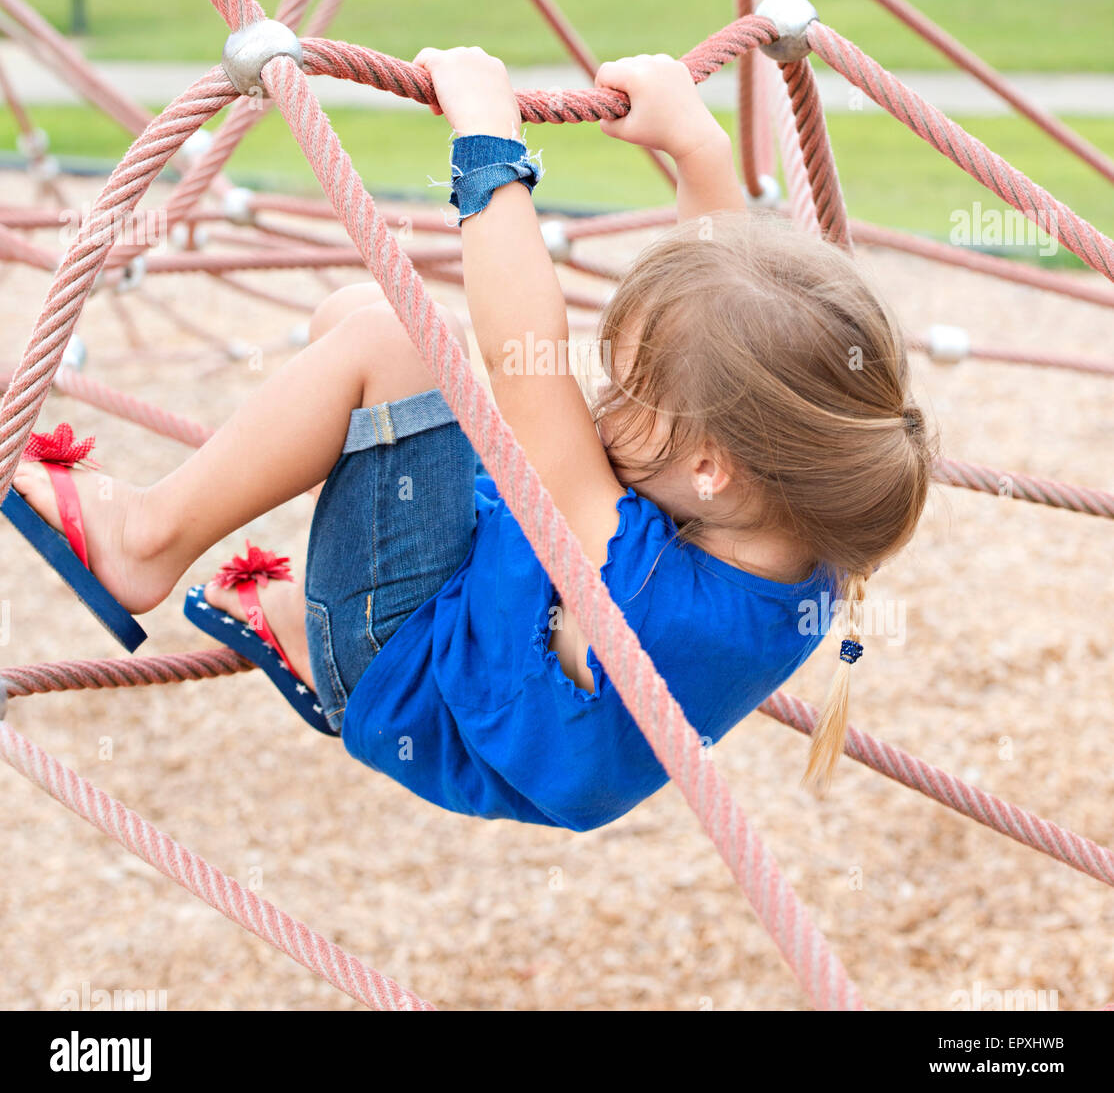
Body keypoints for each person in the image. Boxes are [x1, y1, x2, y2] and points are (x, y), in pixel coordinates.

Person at [8, 49, 935, 829]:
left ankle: (148, 544)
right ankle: (307, 621)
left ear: (708, 467)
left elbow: (521, 367)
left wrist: (488, 147)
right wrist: (698, 147)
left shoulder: (648, 586)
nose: (603, 405)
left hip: (415, 681)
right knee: (358, 316)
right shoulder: (812, 497)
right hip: (494, 677)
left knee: (390, 339)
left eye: (631, 394)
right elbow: (737, 316)